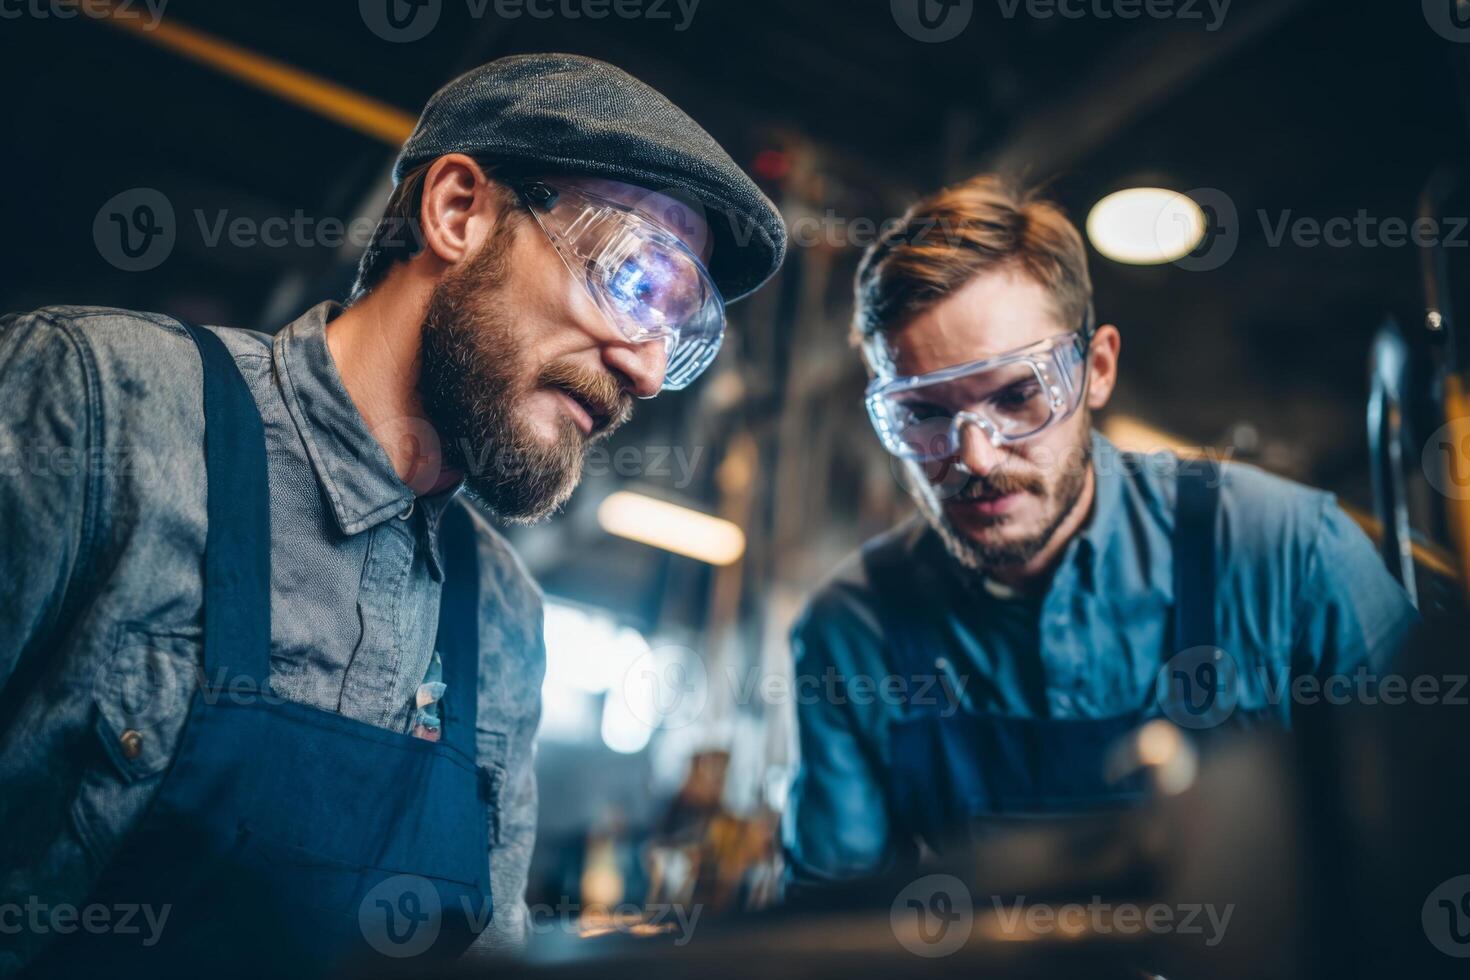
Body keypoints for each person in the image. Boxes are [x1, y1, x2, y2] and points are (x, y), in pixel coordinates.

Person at [0, 53, 785, 974]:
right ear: (459, 211)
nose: (647, 372)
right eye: (636, 281)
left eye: (678, 334)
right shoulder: (103, 406)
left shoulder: (503, 619)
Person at [782, 174, 1417, 888]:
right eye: (925, 415)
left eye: (1019, 395)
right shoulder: (850, 634)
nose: (975, 458)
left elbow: (1431, 844)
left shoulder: (1292, 556)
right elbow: (829, 930)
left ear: (1097, 370)